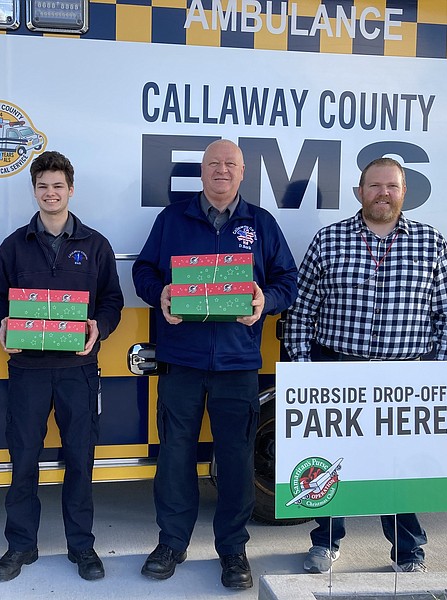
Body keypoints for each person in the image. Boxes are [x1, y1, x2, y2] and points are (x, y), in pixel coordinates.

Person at [284, 157, 447, 574]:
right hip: (337, 370)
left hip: (404, 375)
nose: (383, 193)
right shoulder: (328, 240)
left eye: (392, 186)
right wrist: (303, 371)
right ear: (359, 192)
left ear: (404, 192)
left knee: (397, 472)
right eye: (374, 186)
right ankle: (326, 543)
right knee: (330, 466)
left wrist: (437, 378)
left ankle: (408, 552)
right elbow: (300, 312)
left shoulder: (430, 243)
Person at [132, 139, 298, 589]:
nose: (221, 170)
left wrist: (266, 301)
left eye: (230, 164)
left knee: (237, 459)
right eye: (213, 164)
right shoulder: (172, 218)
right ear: (201, 172)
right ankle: (171, 543)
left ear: (243, 172)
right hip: (181, 360)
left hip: (238, 363)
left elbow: (288, 281)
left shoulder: (261, 223)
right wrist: (160, 292)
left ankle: (233, 551)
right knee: (175, 457)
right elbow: (143, 270)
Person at [0, 151, 123, 582]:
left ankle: (82, 546)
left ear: (71, 190)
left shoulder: (95, 245)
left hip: (78, 370)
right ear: (35, 190)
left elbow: (112, 301)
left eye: (58, 186)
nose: (50, 193)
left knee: (80, 459)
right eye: (43, 186)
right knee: (23, 459)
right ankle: (20, 546)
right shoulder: (14, 245)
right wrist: (0, 327)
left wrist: (99, 327)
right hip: (27, 369)